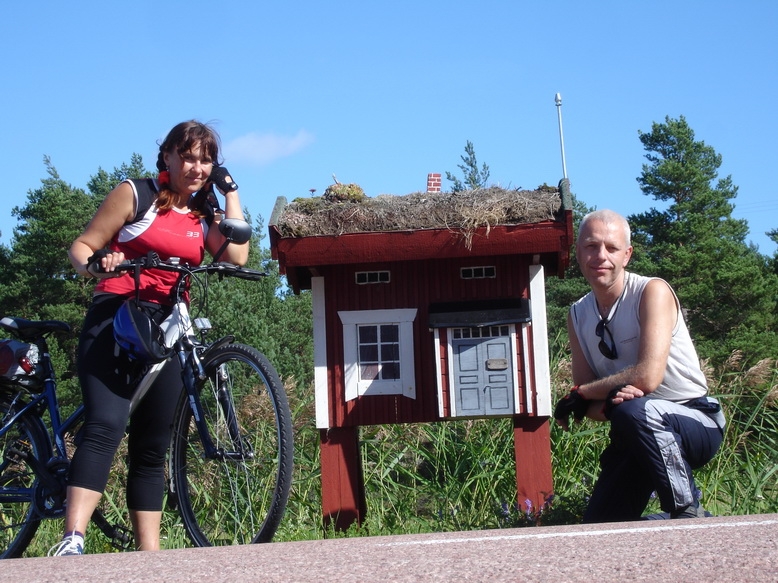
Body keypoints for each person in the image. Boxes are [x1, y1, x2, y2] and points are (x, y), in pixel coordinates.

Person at [50, 121, 249, 556]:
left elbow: (237, 253)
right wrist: (100, 262)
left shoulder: (203, 214)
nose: (197, 167)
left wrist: (230, 190)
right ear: (168, 157)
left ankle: (149, 557)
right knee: (106, 424)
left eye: (207, 160)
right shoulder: (134, 194)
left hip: (169, 329)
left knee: (153, 444)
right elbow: (82, 247)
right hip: (117, 319)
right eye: (189, 157)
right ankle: (73, 540)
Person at [553, 209, 725, 523]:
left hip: (695, 420)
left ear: (627, 255)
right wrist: (606, 402)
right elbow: (588, 407)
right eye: (591, 246)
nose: (600, 256)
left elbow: (647, 376)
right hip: (633, 431)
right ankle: (669, 523)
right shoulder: (577, 314)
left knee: (638, 409)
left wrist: (582, 395)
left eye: (611, 248)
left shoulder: (652, 291)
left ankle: (688, 509)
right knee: (600, 528)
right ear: (577, 252)